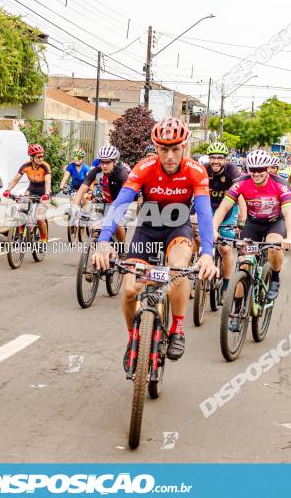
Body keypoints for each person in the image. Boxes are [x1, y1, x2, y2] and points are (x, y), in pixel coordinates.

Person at [92, 118, 217, 369]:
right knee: (129, 290)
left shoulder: (196, 170)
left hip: (178, 227)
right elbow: (119, 205)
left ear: (185, 147)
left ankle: (178, 328)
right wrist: (103, 241)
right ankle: (133, 339)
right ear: (156, 148)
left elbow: (204, 213)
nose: (169, 155)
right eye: (163, 149)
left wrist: (207, 253)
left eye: (175, 149)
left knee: (179, 267)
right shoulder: (145, 167)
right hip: (147, 229)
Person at [212, 150, 291, 327]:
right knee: (243, 265)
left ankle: (275, 278)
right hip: (253, 224)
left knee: (274, 247)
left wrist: (290, 237)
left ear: (268, 169)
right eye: (253, 169)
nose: (256, 173)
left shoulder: (280, 185)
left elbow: (288, 212)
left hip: (274, 222)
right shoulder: (241, 183)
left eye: (260, 169)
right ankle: (237, 311)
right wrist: (213, 229)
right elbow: (223, 208)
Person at [204, 141, 244, 294]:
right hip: (208, 206)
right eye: (212, 157)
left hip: (228, 208)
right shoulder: (204, 169)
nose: (216, 161)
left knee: (225, 248)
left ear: (225, 159)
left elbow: (239, 195)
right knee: (194, 236)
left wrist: (242, 216)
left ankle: (227, 283)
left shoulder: (232, 171)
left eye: (220, 158)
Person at [71, 144, 129, 244]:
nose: (104, 165)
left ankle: (122, 248)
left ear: (114, 162)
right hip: (104, 202)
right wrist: (74, 207)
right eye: (102, 162)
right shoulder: (96, 172)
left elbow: (127, 194)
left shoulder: (122, 173)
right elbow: (81, 190)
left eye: (108, 162)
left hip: (119, 202)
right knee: (95, 229)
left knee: (117, 224)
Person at [3, 144, 51, 243]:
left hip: (43, 191)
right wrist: (8, 190)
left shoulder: (45, 166)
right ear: (32, 157)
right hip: (31, 189)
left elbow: (48, 182)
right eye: (38, 156)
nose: (41, 158)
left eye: (42, 155)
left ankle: (43, 240)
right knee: (22, 210)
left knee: (40, 218)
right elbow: (15, 179)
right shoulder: (26, 166)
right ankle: (21, 235)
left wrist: (46, 194)